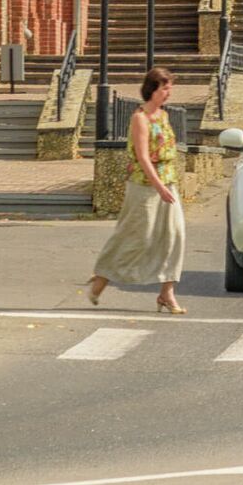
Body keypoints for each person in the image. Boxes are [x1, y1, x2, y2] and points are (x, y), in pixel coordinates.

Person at [88, 68, 187, 313]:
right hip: (144, 185)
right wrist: (159, 187)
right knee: (136, 237)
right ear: (152, 89)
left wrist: (168, 185)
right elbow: (143, 157)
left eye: (169, 88)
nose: (168, 93)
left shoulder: (164, 116)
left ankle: (167, 293)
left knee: (175, 236)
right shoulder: (139, 118)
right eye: (164, 88)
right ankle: (102, 277)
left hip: (168, 182)